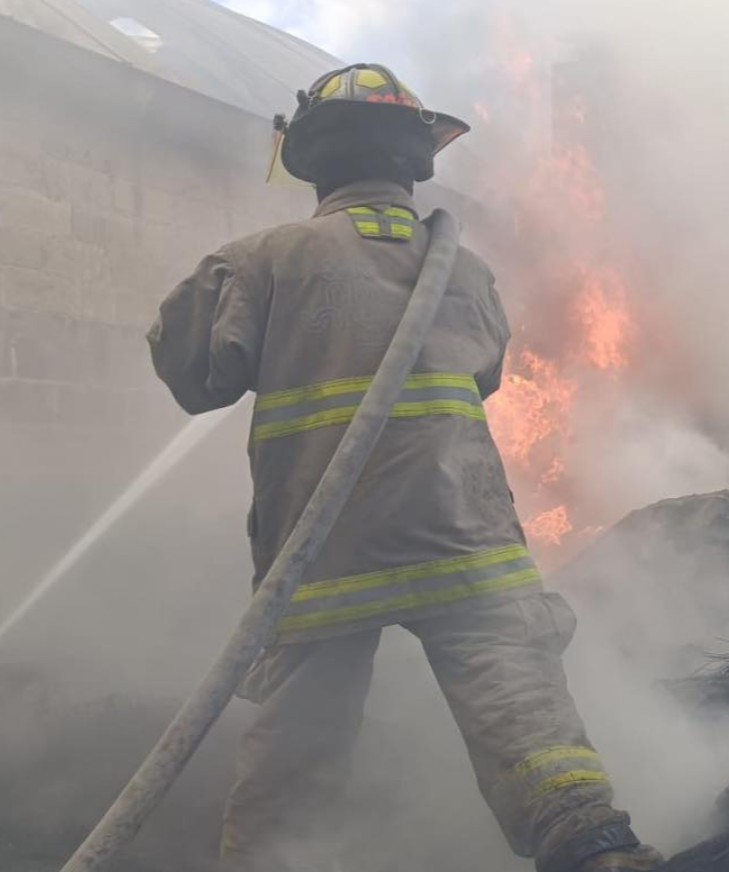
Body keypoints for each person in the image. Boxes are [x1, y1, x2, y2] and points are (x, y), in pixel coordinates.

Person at [147, 63, 662, 872]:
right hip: (461, 536)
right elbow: (484, 371)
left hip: (324, 554)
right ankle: (591, 843)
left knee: (298, 750)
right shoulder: (463, 268)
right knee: (520, 708)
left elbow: (191, 375)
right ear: (415, 161)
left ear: (313, 159)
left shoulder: (261, 260)